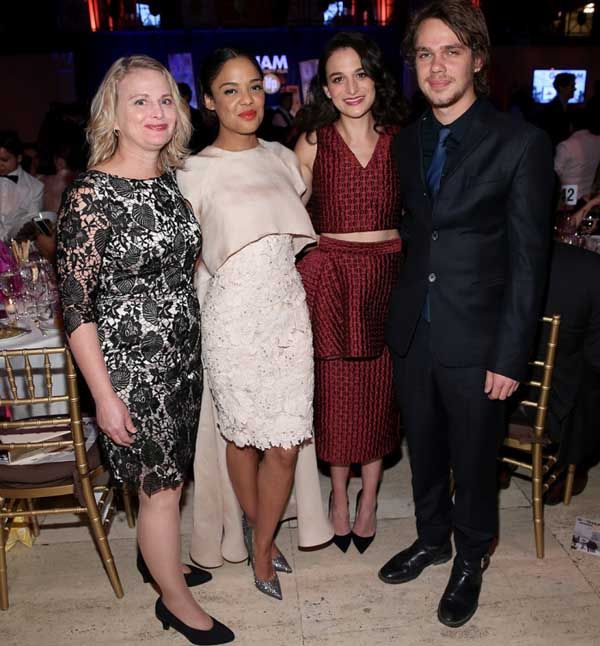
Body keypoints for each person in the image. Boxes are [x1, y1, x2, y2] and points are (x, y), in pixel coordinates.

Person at [379, 0, 553, 628]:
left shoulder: (521, 142)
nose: (437, 65)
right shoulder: (407, 142)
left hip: (479, 335)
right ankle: (433, 538)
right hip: (414, 329)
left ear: (478, 59)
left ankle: (471, 556)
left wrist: (511, 355)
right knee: (423, 447)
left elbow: (530, 261)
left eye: (452, 51)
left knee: (476, 458)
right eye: (425, 53)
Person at [56, 55, 234, 645]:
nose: (156, 113)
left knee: (169, 483)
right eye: (140, 101)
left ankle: (159, 561)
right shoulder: (90, 195)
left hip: (183, 360)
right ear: (113, 112)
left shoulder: (167, 181)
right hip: (132, 371)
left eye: (165, 100)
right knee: (161, 488)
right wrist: (103, 397)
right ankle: (174, 601)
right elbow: (76, 309)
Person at [178, 48, 329, 601]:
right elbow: (190, 261)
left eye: (254, 87)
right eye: (231, 90)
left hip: (288, 315)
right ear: (210, 100)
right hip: (232, 320)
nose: (247, 100)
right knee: (240, 438)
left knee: (286, 442)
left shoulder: (282, 159)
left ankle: (261, 539)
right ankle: (260, 539)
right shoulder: (191, 173)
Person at [294, 32, 405, 554]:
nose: (351, 86)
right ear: (326, 89)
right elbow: (289, 215)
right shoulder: (314, 142)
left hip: (387, 276)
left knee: (378, 392)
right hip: (332, 277)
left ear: (375, 77)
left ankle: (370, 496)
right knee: (336, 392)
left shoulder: (401, 136)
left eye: (360, 73)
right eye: (338, 78)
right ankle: (339, 495)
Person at [510, 242, 600, 503]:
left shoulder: (486, 252)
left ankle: (500, 465)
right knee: (589, 374)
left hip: (490, 402)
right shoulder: (588, 266)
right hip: (549, 415)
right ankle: (573, 463)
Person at [0, 130, 43, 241]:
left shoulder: (35, 187)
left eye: (4, 160)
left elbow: (31, 225)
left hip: (16, 248)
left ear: (19, 158)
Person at [554, 104, 600, 202]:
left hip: (568, 200)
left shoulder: (565, 145)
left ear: (571, 124)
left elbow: (555, 176)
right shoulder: (598, 141)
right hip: (588, 198)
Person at [542, 72, 576, 148]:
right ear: (561, 87)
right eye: (572, 86)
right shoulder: (550, 110)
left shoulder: (571, 108)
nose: (575, 88)